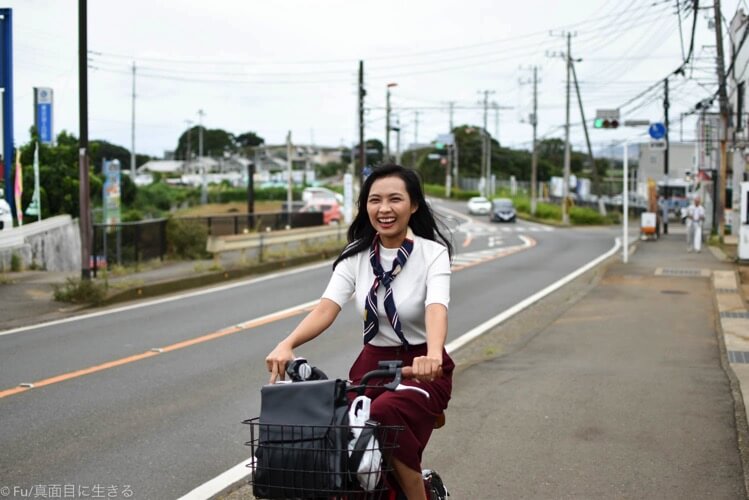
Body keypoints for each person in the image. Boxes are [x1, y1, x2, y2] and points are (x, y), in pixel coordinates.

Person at [265, 164, 454, 500]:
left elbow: (436, 307)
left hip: (421, 365)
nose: (384, 209)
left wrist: (434, 355)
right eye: (374, 200)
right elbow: (326, 308)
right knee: (343, 439)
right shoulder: (355, 257)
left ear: (413, 205)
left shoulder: (432, 254)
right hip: (372, 365)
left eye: (395, 199)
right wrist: (287, 343)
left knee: (383, 415)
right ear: (365, 206)